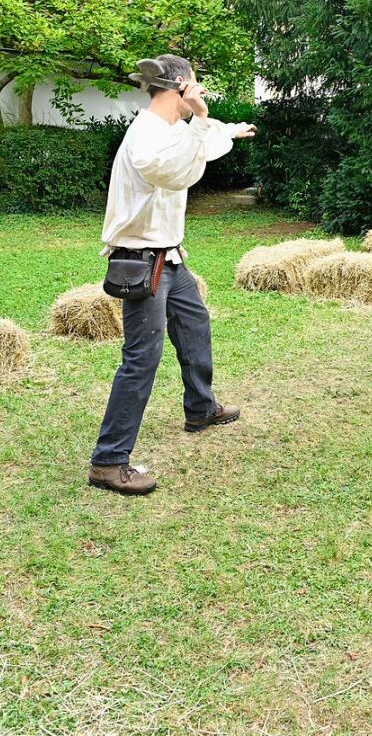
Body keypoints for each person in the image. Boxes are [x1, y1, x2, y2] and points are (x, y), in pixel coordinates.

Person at [88, 54, 256, 496]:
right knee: (142, 358)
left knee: (195, 323)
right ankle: (108, 461)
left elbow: (199, 143)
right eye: (196, 87)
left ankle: (200, 408)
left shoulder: (175, 130)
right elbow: (174, 170)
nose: (201, 94)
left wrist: (228, 129)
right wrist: (202, 121)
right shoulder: (145, 134)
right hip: (142, 261)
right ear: (179, 86)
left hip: (170, 258)